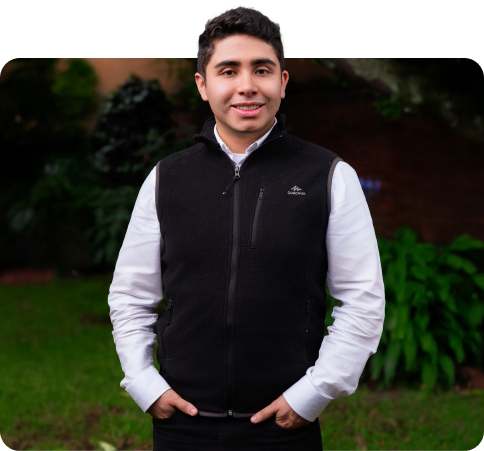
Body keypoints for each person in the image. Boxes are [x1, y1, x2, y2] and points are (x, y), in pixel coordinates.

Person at [108, 6, 385, 451]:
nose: (246, 85)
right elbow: (130, 295)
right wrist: (144, 383)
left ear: (283, 82)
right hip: (182, 425)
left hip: (283, 427)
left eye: (262, 69)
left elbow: (362, 299)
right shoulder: (166, 178)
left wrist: (313, 394)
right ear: (203, 85)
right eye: (228, 70)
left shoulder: (329, 175)